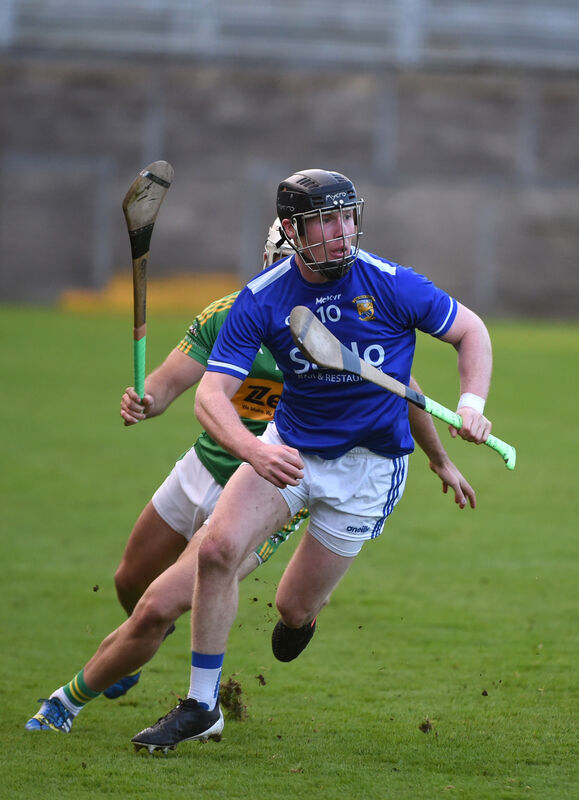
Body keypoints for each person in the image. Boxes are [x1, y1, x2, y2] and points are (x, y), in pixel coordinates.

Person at [24, 218, 475, 737]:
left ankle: (71, 701)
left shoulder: (340, 322)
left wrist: (439, 457)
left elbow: (401, 390)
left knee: (161, 605)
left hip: (275, 478)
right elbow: (172, 388)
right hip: (206, 466)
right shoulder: (239, 311)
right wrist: (147, 400)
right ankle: (143, 646)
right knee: (131, 582)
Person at [130, 168, 493, 753]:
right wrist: (253, 449)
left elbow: (471, 332)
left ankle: (304, 617)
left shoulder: (391, 284)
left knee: (292, 607)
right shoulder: (263, 297)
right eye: (325, 220)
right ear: (293, 230)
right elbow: (209, 395)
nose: (341, 230)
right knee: (218, 551)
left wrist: (471, 405)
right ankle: (201, 706)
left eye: (348, 216)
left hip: (368, 469)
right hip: (289, 447)